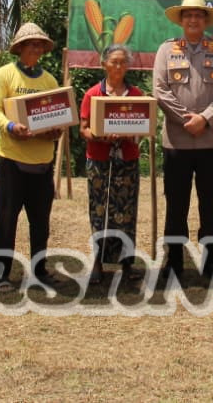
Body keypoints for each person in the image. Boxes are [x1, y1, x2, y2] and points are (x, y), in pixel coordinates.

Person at [152, 0, 213, 284]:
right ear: (181, 19)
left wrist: (205, 118)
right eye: (187, 15)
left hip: (210, 141)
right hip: (176, 141)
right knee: (176, 203)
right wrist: (186, 118)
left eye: (198, 15)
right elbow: (160, 90)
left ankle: (211, 261)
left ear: (205, 20)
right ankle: (174, 261)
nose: (192, 20)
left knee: (211, 203)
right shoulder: (166, 51)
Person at [0, 23, 65, 288]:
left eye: (39, 44)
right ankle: (1, 273)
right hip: (12, 159)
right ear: (19, 47)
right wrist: (10, 126)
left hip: (43, 162)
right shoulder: (4, 75)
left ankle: (40, 271)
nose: (36, 48)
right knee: (7, 219)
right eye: (31, 44)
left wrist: (54, 133)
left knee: (40, 222)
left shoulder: (49, 80)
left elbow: (58, 117)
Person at [80, 43, 146, 284]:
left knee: (126, 211)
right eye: (114, 61)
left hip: (127, 160)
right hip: (98, 160)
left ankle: (127, 264)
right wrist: (98, 135)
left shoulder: (137, 95)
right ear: (104, 64)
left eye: (123, 62)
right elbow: (83, 128)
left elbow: (143, 127)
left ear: (128, 66)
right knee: (99, 210)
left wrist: (129, 134)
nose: (118, 66)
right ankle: (97, 262)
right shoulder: (92, 94)